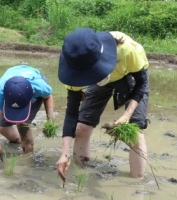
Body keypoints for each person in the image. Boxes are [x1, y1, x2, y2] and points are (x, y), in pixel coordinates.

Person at [56, 28, 150, 180]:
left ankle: (137, 183)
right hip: (98, 79)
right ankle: (80, 174)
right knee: (81, 128)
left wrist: (127, 115)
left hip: (128, 75)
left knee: (135, 131)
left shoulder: (127, 49)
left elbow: (142, 84)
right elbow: (72, 112)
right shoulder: (74, 64)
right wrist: (64, 154)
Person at [0, 65, 54, 166]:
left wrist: (50, 121)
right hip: (12, 87)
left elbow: (48, 97)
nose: (17, 121)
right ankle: (21, 140)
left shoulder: (39, 86)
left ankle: (28, 155)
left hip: (30, 86)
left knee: (23, 125)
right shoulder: (1, 91)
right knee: (2, 127)